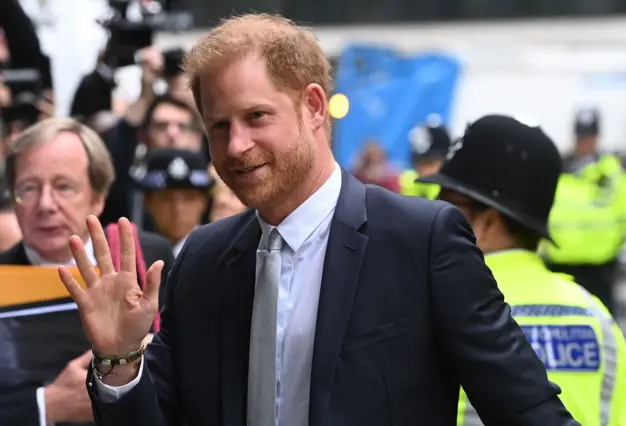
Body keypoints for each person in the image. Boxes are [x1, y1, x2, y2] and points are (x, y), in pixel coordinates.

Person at [59, 13, 578, 426]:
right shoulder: (202, 258)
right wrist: (120, 360)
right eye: (219, 126)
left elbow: (525, 407)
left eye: (256, 116)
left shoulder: (420, 240)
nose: (236, 146)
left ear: (312, 106)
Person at [417, 115, 626, 426]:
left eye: (448, 206)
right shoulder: (597, 318)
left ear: (488, 223)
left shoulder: (435, 306)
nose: (432, 214)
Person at [0, 117, 174, 426]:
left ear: (98, 197)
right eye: (28, 188)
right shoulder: (4, 279)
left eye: (63, 187)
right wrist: (45, 406)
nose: (45, 204)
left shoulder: (149, 259)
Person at [541, 107, 626, 317]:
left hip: (600, 264)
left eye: (589, 136)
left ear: (597, 136)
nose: (585, 142)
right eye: (581, 136)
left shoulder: (612, 171)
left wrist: (621, 245)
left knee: (601, 324)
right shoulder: (558, 168)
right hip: (560, 261)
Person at [132, 147, 214, 257]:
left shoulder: (220, 255)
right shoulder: (133, 256)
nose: (177, 208)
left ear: (204, 202)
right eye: (166, 199)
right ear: (148, 202)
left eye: (188, 199)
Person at [398, 114, 449, 199]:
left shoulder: (453, 193)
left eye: (430, 163)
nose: (424, 171)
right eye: (420, 164)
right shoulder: (408, 184)